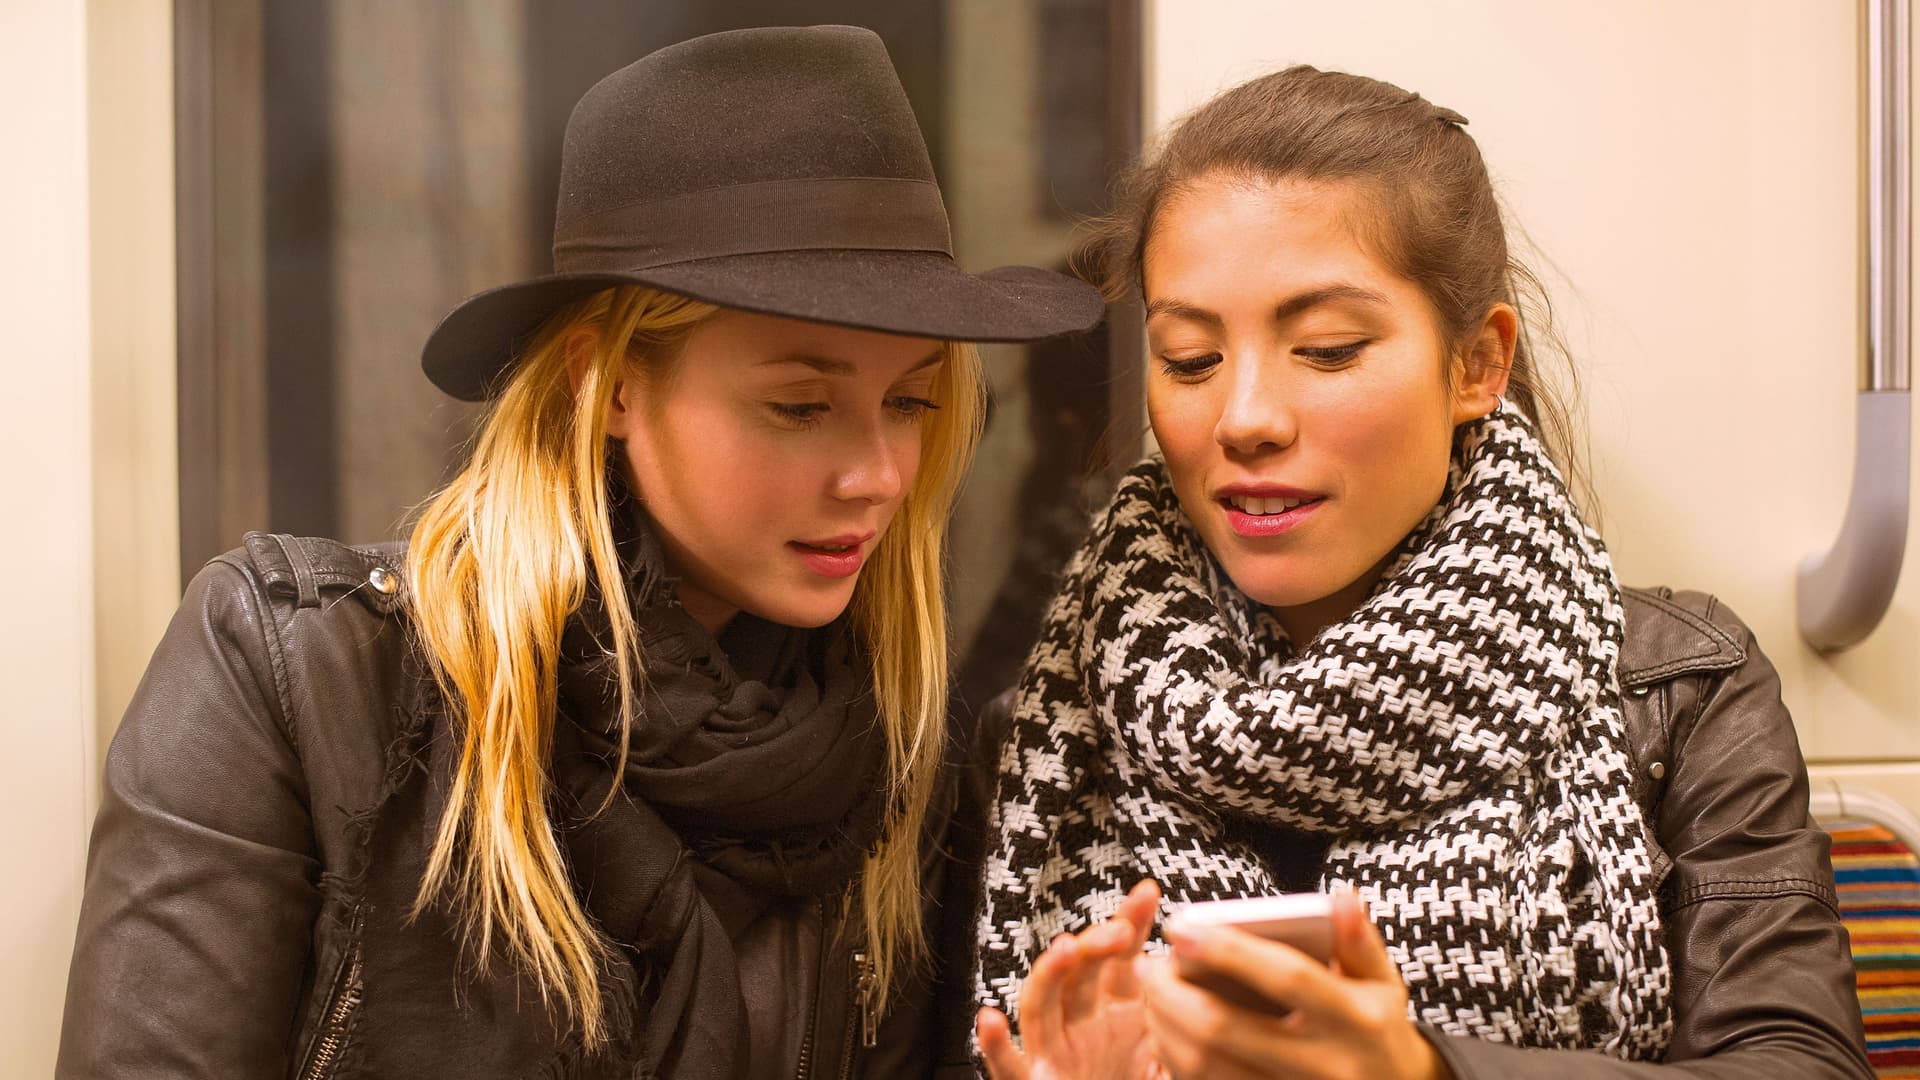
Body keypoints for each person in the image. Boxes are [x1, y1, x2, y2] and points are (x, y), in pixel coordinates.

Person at [56, 25, 1101, 1080]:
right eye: (798, 405)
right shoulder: (300, 683)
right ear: (601, 384)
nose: (878, 473)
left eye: (911, 401)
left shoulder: (896, 767)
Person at [960, 65, 1873, 1079]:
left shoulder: (1676, 693)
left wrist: (1421, 1071)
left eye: (1328, 349)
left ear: (1476, 365)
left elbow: (1803, 1065)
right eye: (1188, 360)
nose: (1246, 418)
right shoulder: (1051, 727)